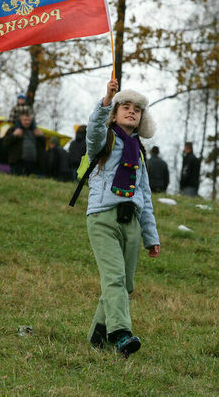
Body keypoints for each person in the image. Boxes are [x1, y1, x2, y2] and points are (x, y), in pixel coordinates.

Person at [85, 78, 159, 358]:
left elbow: (146, 196)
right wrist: (106, 99)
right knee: (114, 278)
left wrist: (151, 236)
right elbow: (93, 130)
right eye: (125, 107)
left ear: (141, 119)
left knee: (124, 284)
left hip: (132, 224)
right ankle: (121, 334)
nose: (131, 112)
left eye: (137, 110)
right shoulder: (105, 140)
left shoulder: (139, 152)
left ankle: (97, 336)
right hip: (103, 218)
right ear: (115, 114)